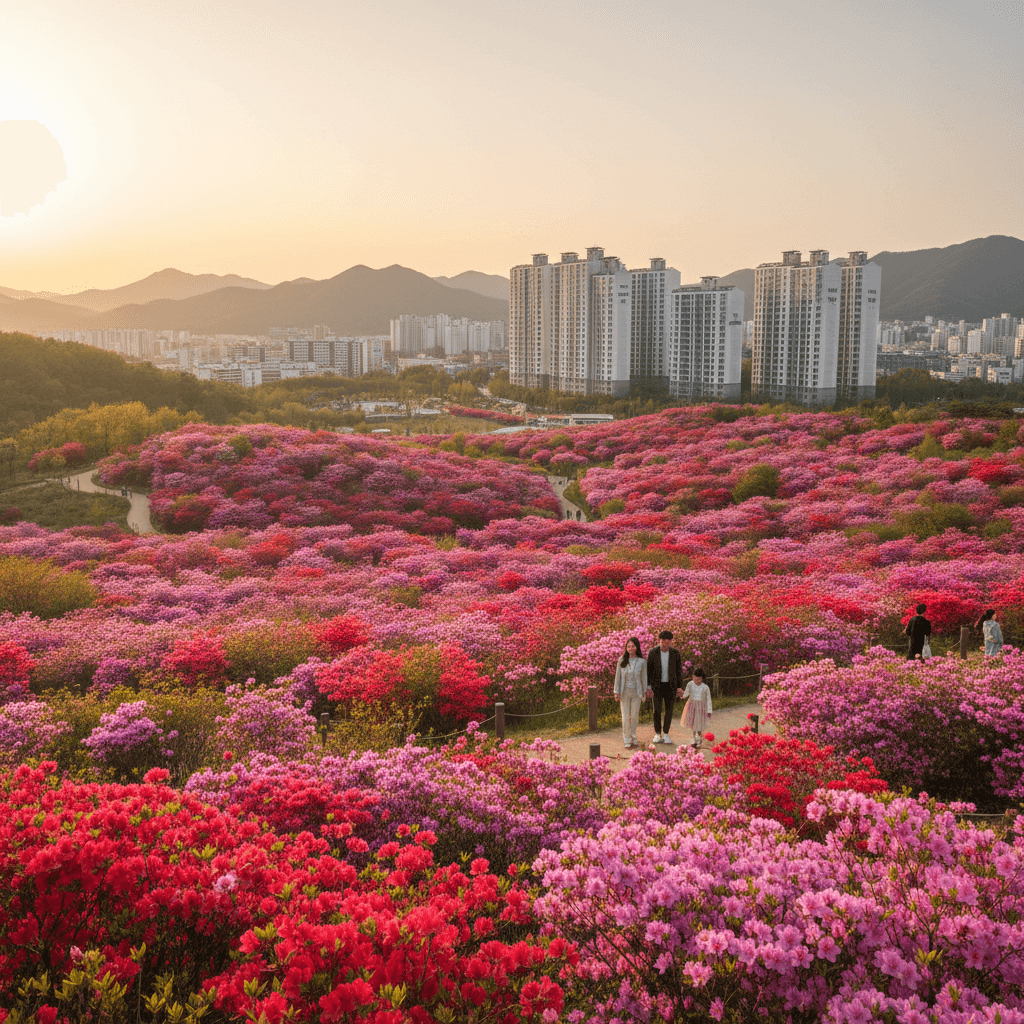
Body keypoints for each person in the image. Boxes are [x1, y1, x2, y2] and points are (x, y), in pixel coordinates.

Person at [646, 630, 683, 744]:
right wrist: (648, 687)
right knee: (656, 710)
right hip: (657, 686)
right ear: (659, 641)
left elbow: (679, 671)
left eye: (667, 642)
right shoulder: (653, 652)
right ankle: (657, 733)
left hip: (670, 686)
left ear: (670, 642)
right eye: (662, 642)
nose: (664, 645)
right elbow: (649, 671)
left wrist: (679, 687)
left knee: (669, 710)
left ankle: (666, 733)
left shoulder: (675, 653)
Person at [613, 637, 646, 750]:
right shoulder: (622, 660)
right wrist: (616, 692)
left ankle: (633, 736)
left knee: (635, 716)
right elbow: (618, 677)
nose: (631, 648)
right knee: (626, 717)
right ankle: (627, 739)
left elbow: (644, 678)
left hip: (637, 692)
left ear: (637, 647)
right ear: (626, 648)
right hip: (624, 692)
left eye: (633, 646)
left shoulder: (642, 662)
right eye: (628, 646)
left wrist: (645, 691)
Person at [680, 667, 713, 748]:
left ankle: (699, 736)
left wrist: (709, 710)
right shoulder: (690, 684)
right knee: (693, 724)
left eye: (698, 679)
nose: (696, 681)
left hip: (701, 707)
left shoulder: (705, 687)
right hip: (691, 706)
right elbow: (686, 694)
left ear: (702, 678)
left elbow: (708, 699)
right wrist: (681, 695)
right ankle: (695, 740)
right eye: (694, 678)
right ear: (692, 677)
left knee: (699, 724)